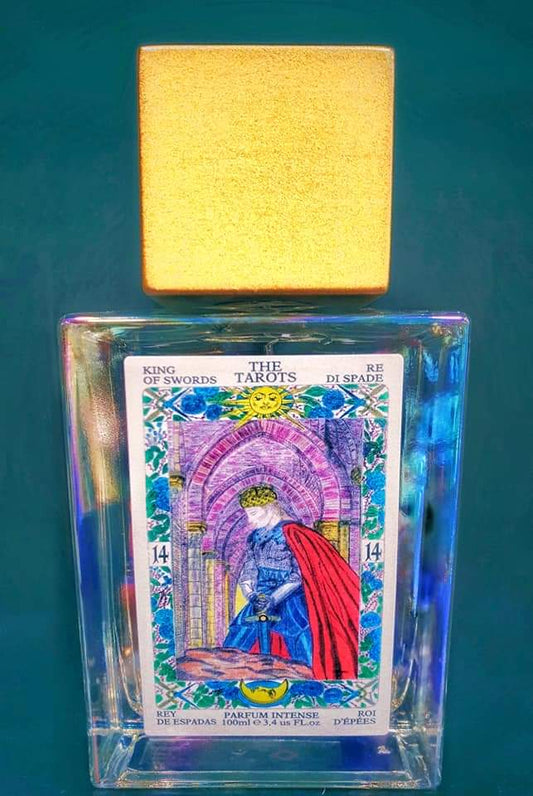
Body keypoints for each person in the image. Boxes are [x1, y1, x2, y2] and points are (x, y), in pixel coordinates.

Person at [223, 485, 360, 679]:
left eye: (253, 513)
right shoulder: (255, 537)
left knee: (300, 642)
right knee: (239, 639)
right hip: (260, 600)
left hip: (292, 601)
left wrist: (273, 599)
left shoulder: (295, 533)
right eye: (248, 515)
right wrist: (252, 595)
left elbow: (297, 576)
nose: (250, 520)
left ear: (271, 508)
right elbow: (249, 570)